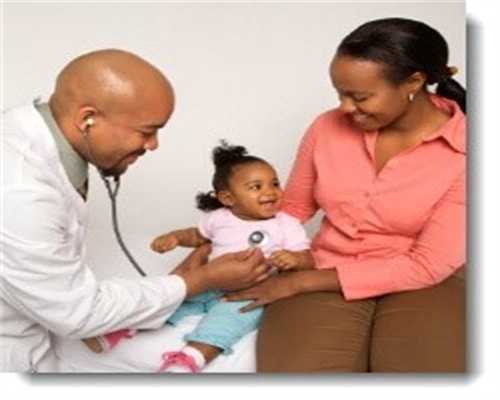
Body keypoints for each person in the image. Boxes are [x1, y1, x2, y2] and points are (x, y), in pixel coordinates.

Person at [0, 49, 269, 372]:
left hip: (37, 326)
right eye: (147, 131)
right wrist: (195, 281)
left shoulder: (37, 138)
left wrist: (184, 282)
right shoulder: (20, 191)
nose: (153, 145)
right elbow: (77, 312)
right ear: (88, 119)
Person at [225, 18, 466, 372]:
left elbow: (427, 265)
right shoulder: (327, 127)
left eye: (360, 97)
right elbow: (293, 208)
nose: (345, 108)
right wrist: (220, 240)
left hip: (428, 282)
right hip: (326, 264)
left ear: (414, 82)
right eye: (340, 94)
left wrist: (299, 283)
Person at [83, 142, 312, 373]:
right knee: (172, 302)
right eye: (256, 187)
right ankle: (122, 329)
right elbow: (197, 235)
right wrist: (175, 237)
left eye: (275, 183)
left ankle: (191, 358)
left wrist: (295, 259)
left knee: (227, 324)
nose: (270, 192)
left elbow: (308, 259)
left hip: (247, 293)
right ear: (228, 198)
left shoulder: (286, 224)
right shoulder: (219, 218)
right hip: (211, 282)